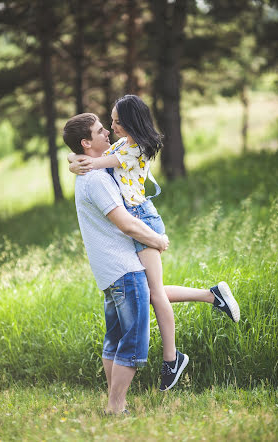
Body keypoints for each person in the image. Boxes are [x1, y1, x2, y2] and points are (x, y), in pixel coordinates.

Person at [67, 96, 240, 391]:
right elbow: (88, 157)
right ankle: (212, 296)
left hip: (141, 219)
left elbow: (96, 161)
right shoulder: (122, 145)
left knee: (154, 293)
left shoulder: (132, 151)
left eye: (117, 122)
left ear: (131, 123)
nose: (111, 127)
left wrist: (78, 162)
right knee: (147, 293)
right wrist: (73, 160)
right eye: (108, 122)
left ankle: (172, 359)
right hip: (139, 217)